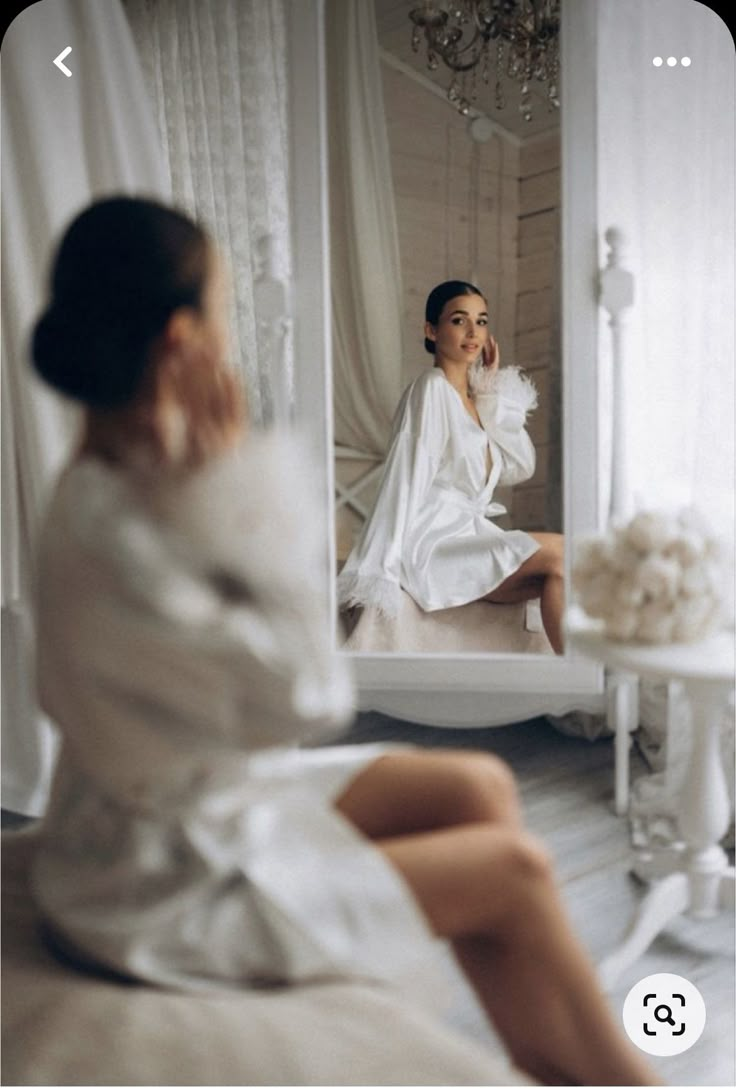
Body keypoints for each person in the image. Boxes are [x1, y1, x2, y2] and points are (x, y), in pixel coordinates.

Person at [29, 198, 656, 1086]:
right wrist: (241, 477)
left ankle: (544, 1042)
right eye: (224, 310)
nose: (230, 335)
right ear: (180, 340)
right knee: (512, 867)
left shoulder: (120, 479)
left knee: (476, 780)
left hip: (177, 808)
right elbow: (310, 696)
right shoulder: (126, 525)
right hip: (150, 880)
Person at [337, 280, 565, 653]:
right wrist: (378, 569)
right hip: (433, 545)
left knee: (556, 571)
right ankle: (584, 680)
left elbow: (519, 466)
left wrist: (491, 392)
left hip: (470, 536)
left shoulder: (477, 401)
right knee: (560, 552)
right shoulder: (431, 388)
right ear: (432, 330)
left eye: (482, 320)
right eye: (459, 320)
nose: (474, 331)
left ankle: (576, 686)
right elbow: (405, 475)